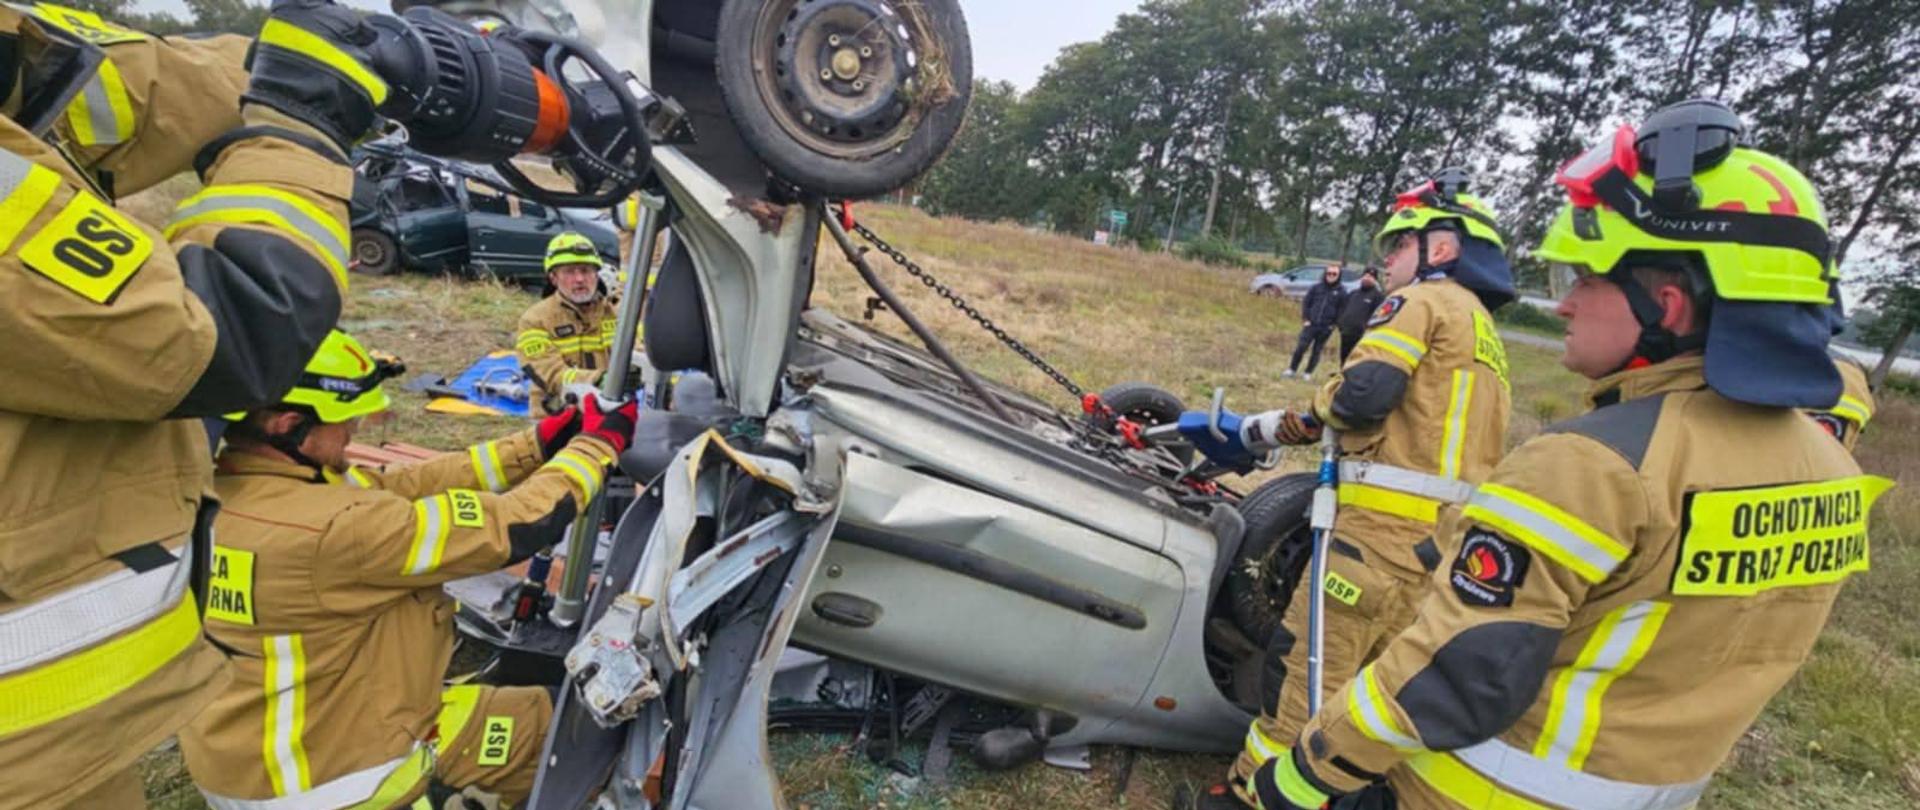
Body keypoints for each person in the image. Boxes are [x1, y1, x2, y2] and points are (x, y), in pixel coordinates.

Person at [1243, 100, 1893, 810]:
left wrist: (1302, 779)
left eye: (1585, 278)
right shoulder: (1832, 472)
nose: (1563, 306)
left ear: (1667, 304)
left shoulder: (1595, 464)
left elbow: (1453, 673)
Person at [0, 1, 387, 805]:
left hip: (68, 739)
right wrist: (302, 124)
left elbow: (115, 85)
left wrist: (309, 55)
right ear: (290, 422)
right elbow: (227, 327)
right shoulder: (339, 532)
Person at [180, 330, 638, 809]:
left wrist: (539, 444)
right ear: (290, 425)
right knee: (558, 725)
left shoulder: (221, 494)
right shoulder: (340, 528)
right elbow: (512, 526)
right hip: (338, 780)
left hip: (251, 754)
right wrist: (596, 446)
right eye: (345, 419)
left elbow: (407, 484)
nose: (354, 431)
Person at [1196, 171, 1517, 809]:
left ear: (1441, 248)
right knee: (1374, 691)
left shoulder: (1421, 303)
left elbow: (1363, 396)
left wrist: (1293, 419)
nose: (1387, 259)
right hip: (1438, 551)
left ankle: (1248, 796)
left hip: (1376, 539)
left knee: (1305, 673)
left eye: (1399, 244)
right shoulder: (1485, 335)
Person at [518, 231, 619, 415]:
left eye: (585, 270)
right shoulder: (534, 319)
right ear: (553, 278)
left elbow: (640, 354)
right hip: (558, 418)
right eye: (569, 271)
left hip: (609, 412)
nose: (579, 279)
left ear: (597, 275)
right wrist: (600, 380)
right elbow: (550, 374)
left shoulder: (616, 313)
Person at [1285, 265, 1347, 379]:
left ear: (1338, 276)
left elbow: (1342, 310)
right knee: (1301, 347)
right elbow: (1306, 303)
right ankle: (1292, 370)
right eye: (1329, 273)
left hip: (1325, 328)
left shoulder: (1342, 292)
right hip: (1311, 324)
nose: (1331, 276)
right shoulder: (1316, 287)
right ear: (1325, 273)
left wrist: (1333, 325)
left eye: (1334, 274)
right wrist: (1306, 319)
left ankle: (1307, 373)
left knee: (1317, 351)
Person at [1336, 268, 1387, 363]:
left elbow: (1379, 317)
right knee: (1344, 359)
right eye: (1365, 276)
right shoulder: (1353, 293)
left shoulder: (1378, 296)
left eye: (1370, 277)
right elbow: (1343, 308)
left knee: (1355, 361)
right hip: (1346, 333)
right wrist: (1340, 323)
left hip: (1361, 336)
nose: (1367, 278)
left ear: (1375, 280)